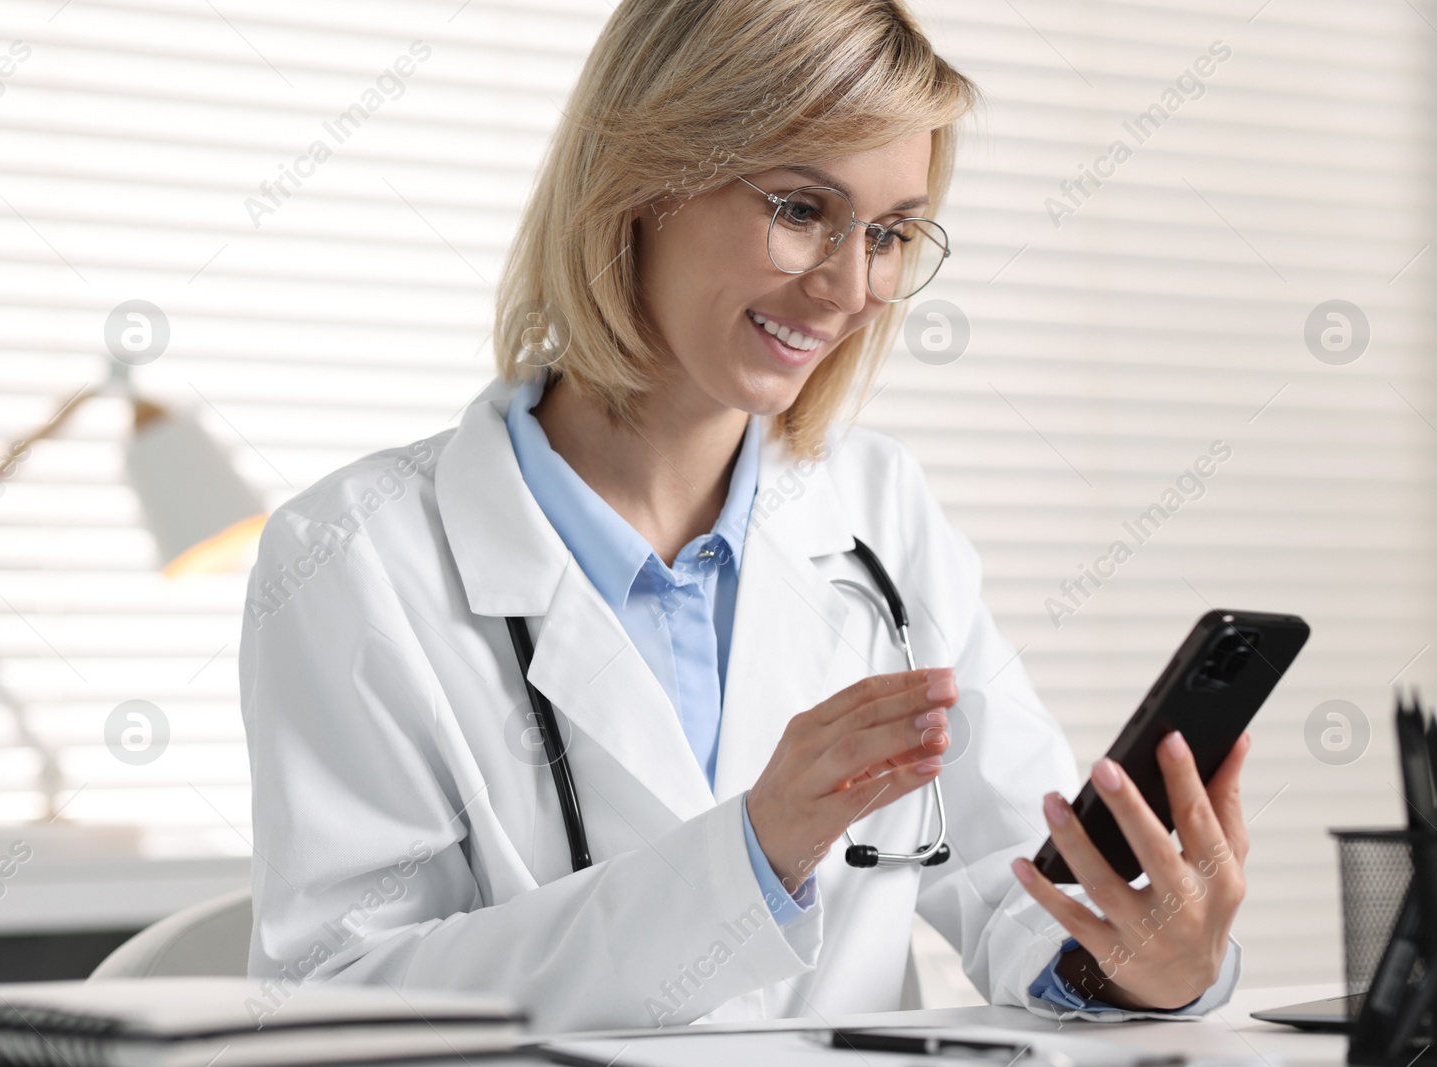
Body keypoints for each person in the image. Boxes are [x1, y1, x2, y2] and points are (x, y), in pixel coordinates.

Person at [239, 0, 1249, 1034]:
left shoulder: (879, 510)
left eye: (891, 232)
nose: (851, 287)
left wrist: (1132, 955)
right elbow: (337, 1002)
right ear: (640, 179)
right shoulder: (354, 556)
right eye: (803, 210)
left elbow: (1017, 884)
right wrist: (749, 856)